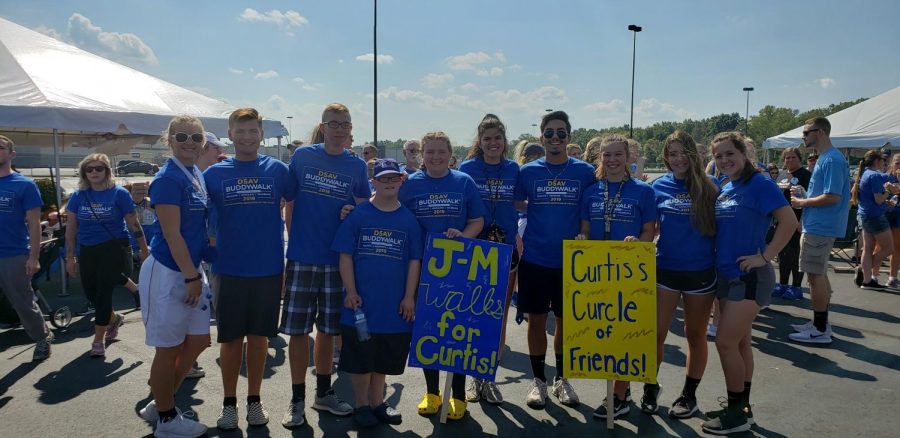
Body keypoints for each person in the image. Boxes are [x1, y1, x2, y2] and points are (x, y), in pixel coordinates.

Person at [203, 108, 294, 430]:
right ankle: (230, 403)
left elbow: (301, 206)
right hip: (227, 269)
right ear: (230, 135)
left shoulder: (278, 171)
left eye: (252, 131)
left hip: (268, 269)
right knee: (229, 341)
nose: (247, 137)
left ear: (261, 135)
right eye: (240, 131)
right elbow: (195, 214)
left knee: (259, 341)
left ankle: (254, 400)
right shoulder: (214, 174)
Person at [280, 103, 370, 428]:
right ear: (323, 127)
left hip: (337, 260)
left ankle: (323, 393)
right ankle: (296, 399)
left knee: (329, 332)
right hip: (303, 257)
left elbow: (363, 211)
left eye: (344, 124)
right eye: (333, 124)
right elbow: (287, 200)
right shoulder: (303, 156)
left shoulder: (357, 166)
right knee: (299, 332)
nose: (339, 129)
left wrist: (352, 213)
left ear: (350, 129)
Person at [701, 131, 797, 435]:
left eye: (730, 153)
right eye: (718, 156)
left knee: (726, 342)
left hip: (750, 277)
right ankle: (742, 407)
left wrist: (765, 256)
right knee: (740, 342)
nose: (724, 160)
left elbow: (790, 222)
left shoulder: (760, 183)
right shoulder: (729, 186)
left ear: (744, 154)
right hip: (726, 276)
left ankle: (736, 414)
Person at [399, 131, 485, 420]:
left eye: (441, 152)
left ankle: (458, 395)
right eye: (430, 152)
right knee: (429, 330)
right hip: (422, 268)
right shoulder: (409, 184)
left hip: (459, 269)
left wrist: (463, 236)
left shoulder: (464, 182)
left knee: (458, 332)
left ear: (451, 154)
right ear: (421, 155)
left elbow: (477, 220)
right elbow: (391, 213)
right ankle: (432, 392)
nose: (436, 157)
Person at [137, 116, 213, 437]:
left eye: (195, 138)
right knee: (168, 348)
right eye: (181, 136)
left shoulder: (195, 173)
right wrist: (191, 277)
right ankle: (166, 419)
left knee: (199, 340)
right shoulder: (168, 179)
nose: (189, 142)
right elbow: (171, 234)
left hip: (191, 269)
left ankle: (159, 400)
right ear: (169, 140)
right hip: (169, 272)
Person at [514, 111, 595, 409]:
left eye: (561, 133)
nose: (555, 138)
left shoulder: (585, 171)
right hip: (535, 258)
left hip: (572, 263)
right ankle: (539, 381)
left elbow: (595, 206)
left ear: (569, 137)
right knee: (536, 322)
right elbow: (516, 202)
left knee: (566, 324)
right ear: (541, 137)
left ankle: (562, 379)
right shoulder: (528, 172)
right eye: (549, 133)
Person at [332, 158, 421, 428]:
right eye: (383, 178)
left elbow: (414, 261)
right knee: (361, 360)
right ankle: (361, 405)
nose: (389, 183)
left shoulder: (408, 219)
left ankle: (377, 403)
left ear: (401, 181)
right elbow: (345, 255)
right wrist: (350, 291)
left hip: (393, 306)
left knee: (382, 359)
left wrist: (408, 296)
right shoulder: (358, 215)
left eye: (394, 178)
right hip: (360, 306)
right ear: (374, 181)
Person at [577, 135, 657, 420]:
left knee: (625, 333)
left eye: (617, 155)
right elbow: (585, 227)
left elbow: (650, 230)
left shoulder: (643, 191)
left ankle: (618, 396)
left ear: (628, 157)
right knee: (605, 332)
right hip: (596, 272)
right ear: (599, 158)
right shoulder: (591, 191)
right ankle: (621, 391)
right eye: (606, 155)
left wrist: (639, 243)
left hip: (629, 270)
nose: (612, 160)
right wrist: (582, 238)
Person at [647, 131, 719, 420]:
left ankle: (689, 395)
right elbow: (649, 229)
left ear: (694, 155)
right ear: (666, 158)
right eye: (672, 154)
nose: (678, 159)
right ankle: (650, 387)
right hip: (665, 270)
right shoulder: (657, 187)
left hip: (700, 273)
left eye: (683, 153)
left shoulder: (711, 187)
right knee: (655, 335)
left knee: (694, 335)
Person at [459, 114, 520, 405]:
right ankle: (475, 377)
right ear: (479, 142)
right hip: (475, 252)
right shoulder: (468, 168)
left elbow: (521, 202)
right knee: (473, 315)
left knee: (498, 318)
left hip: (505, 250)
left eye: (497, 138)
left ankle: (490, 377)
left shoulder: (514, 169)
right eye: (487, 138)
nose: (493, 143)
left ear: (504, 141)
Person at [65, 153, 148, 357]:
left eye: (99, 168)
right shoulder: (78, 196)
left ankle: (98, 340)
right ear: (84, 172)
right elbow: (71, 228)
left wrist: (144, 249)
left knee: (103, 294)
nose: (94, 172)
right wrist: (70, 257)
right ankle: (115, 317)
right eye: (89, 169)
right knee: (91, 293)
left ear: (107, 171)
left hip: (114, 247)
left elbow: (133, 222)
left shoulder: (119, 194)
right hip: (87, 249)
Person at [788, 117, 850, 344]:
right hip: (819, 225)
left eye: (806, 133)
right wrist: (806, 196)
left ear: (821, 132)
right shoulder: (827, 158)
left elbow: (833, 196)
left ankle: (820, 328)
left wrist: (802, 203)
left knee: (814, 276)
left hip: (821, 227)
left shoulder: (831, 159)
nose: (803, 137)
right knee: (818, 274)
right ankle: (820, 323)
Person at [0, 134, 53, 362]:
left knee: (22, 301)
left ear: (12, 154)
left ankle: (42, 337)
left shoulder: (24, 185)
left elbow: (33, 223)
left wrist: (34, 256)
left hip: (13, 253)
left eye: (0, 147)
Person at [850, 150, 895, 289]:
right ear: (877, 161)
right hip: (875, 217)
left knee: (868, 249)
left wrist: (885, 201)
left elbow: (871, 198)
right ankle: (865, 271)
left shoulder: (864, 174)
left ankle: (867, 281)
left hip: (865, 215)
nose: (884, 163)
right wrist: (888, 191)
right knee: (888, 248)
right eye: (882, 160)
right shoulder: (874, 176)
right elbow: (878, 199)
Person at [772, 147, 811, 299]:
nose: (789, 160)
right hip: (781, 222)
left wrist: (801, 221)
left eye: (793, 157)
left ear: (799, 158)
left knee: (796, 254)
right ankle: (782, 284)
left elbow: (808, 199)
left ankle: (796, 287)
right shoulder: (782, 174)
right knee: (783, 254)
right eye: (787, 158)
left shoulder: (806, 175)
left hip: (797, 221)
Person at [884, 152, 900, 287]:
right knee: (881, 245)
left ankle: (892, 276)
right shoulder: (886, 177)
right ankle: (872, 275)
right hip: (886, 213)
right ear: (892, 164)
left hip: (899, 214)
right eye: (897, 163)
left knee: (897, 246)